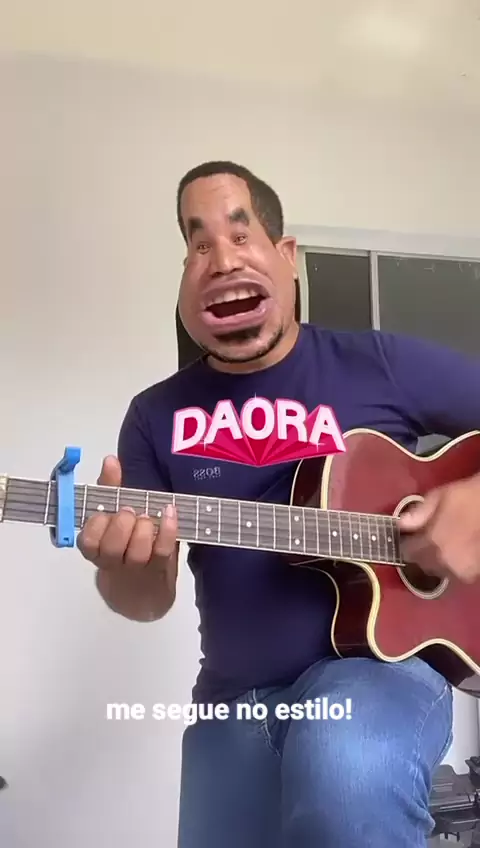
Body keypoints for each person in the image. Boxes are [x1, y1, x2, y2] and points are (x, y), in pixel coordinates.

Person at [77, 160, 480, 848]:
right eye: (198, 244)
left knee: (344, 767)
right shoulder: (154, 415)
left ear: (286, 255)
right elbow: (147, 599)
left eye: (241, 235)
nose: (221, 259)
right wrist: (123, 568)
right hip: (232, 703)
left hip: (379, 675)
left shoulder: (379, 363)